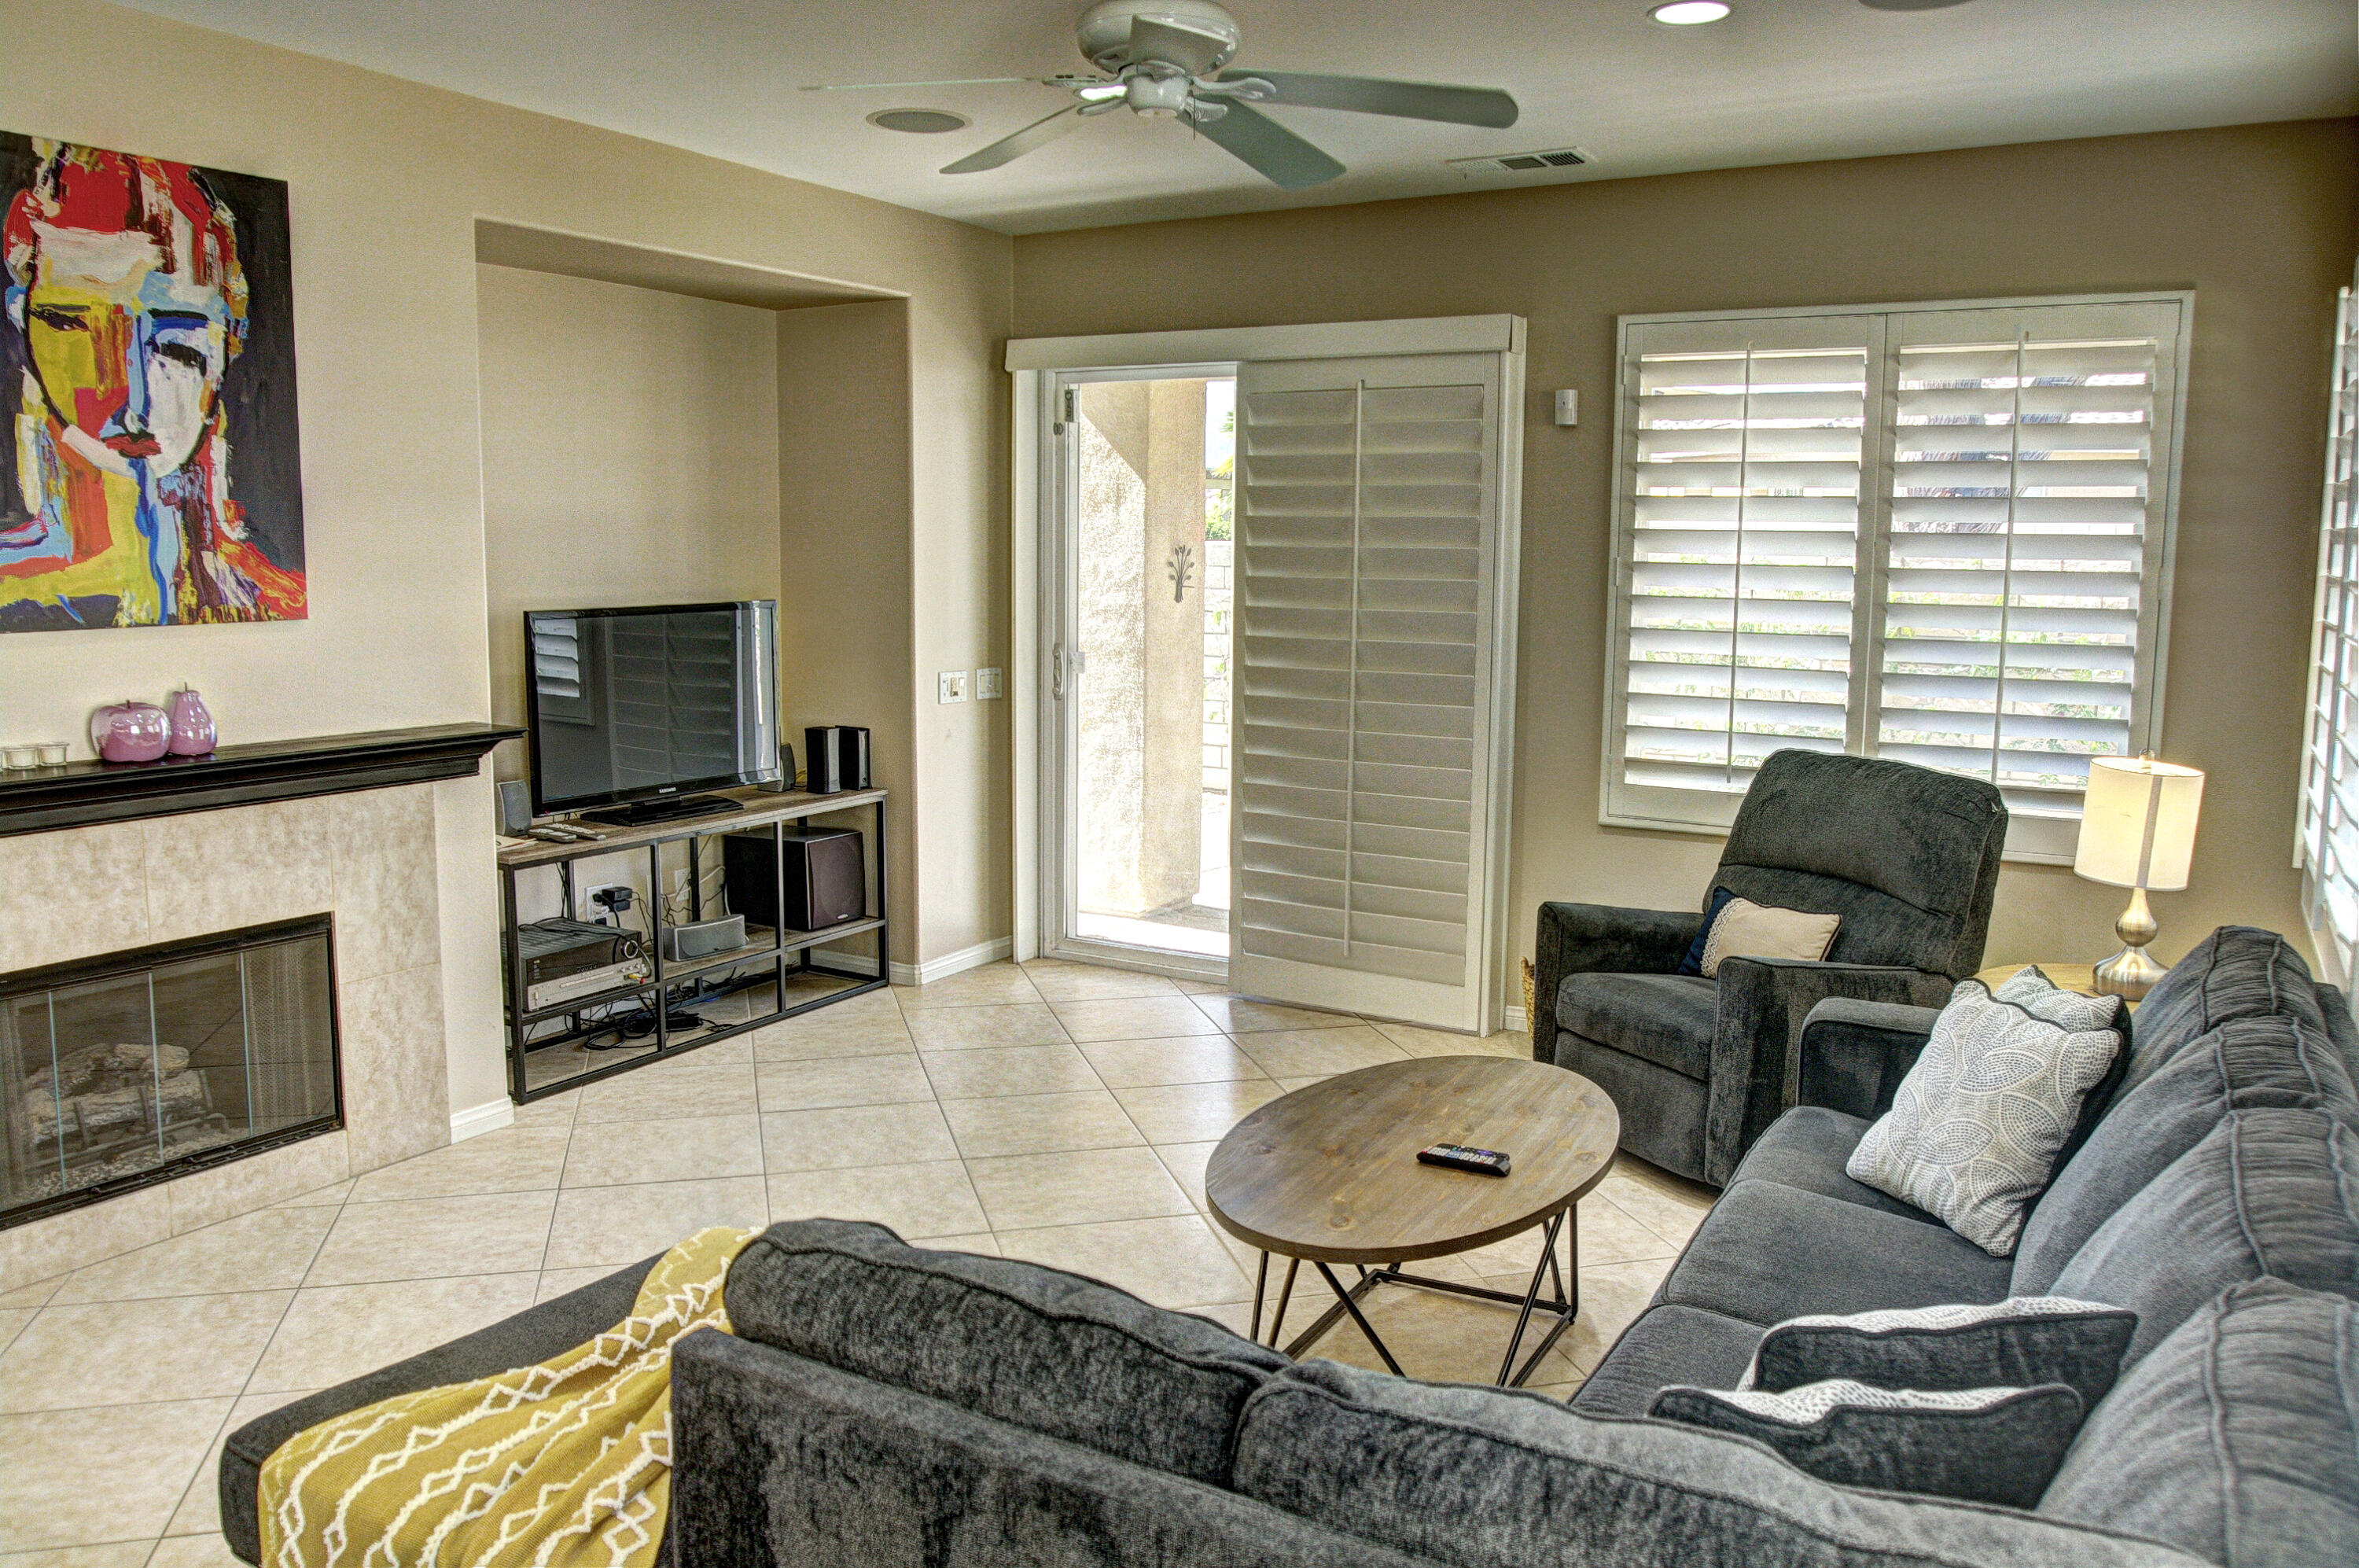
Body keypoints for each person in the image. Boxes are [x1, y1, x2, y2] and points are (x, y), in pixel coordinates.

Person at [2, 138, 304, 628]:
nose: (132, 402)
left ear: (230, 340)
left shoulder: (279, 600)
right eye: (74, 328)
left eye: (177, 346)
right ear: (22, 320)